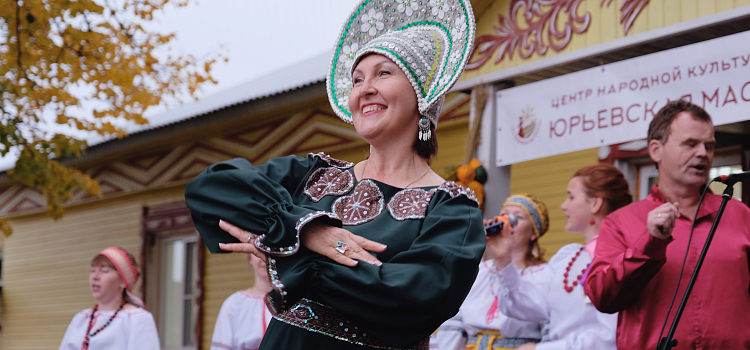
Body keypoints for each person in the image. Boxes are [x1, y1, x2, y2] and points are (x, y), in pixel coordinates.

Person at [185, 1, 484, 349]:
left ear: (423, 95)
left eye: (384, 73)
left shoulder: (451, 209)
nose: (364, 88)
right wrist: (309, 230)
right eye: (357, 79)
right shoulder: (315, 175)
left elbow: (413, 298)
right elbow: (210, 187)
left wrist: (292, 248)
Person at [584, 100, 750, 349]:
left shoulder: (740, 214)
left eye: (709, 146)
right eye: (690, 144)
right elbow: (602, 297)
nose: (703, 153)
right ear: (656, 150)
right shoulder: (620, 222)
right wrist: (649, 244)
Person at [491, 165, 632, 350]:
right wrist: (504, 259)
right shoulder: (568, 257)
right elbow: (526, 305)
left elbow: (609, 338)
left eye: (571, 197)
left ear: (595, 204)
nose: (563, 206)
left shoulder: (618, 260)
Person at [435, 194, 549, 350]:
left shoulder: (543, 274)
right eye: (503, 215)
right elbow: (454, 322)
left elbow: (551, 326)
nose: (508, 220)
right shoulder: (479, 270)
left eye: (517, 217)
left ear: (534, 233)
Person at [59, 247, 160, 350]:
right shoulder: (81, 319)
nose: (95, 276)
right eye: (93, 270)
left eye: (104, 271)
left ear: (123, 281)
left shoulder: (135, 319)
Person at [211, 254, 273, 350]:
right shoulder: (234, 304)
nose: (264, 258)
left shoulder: (295, 303)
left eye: (271, 249)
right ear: (249, 258)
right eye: (258, 250)